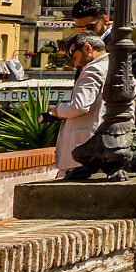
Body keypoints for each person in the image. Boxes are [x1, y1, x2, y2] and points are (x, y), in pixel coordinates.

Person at [50, 32, 108, 176]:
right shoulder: (116, 65)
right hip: (103, 149)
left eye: (73, 56)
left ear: (88, 48)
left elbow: (79, 106)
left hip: (83, 152)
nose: (74, 63)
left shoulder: (93, 69)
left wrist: (59, 110)